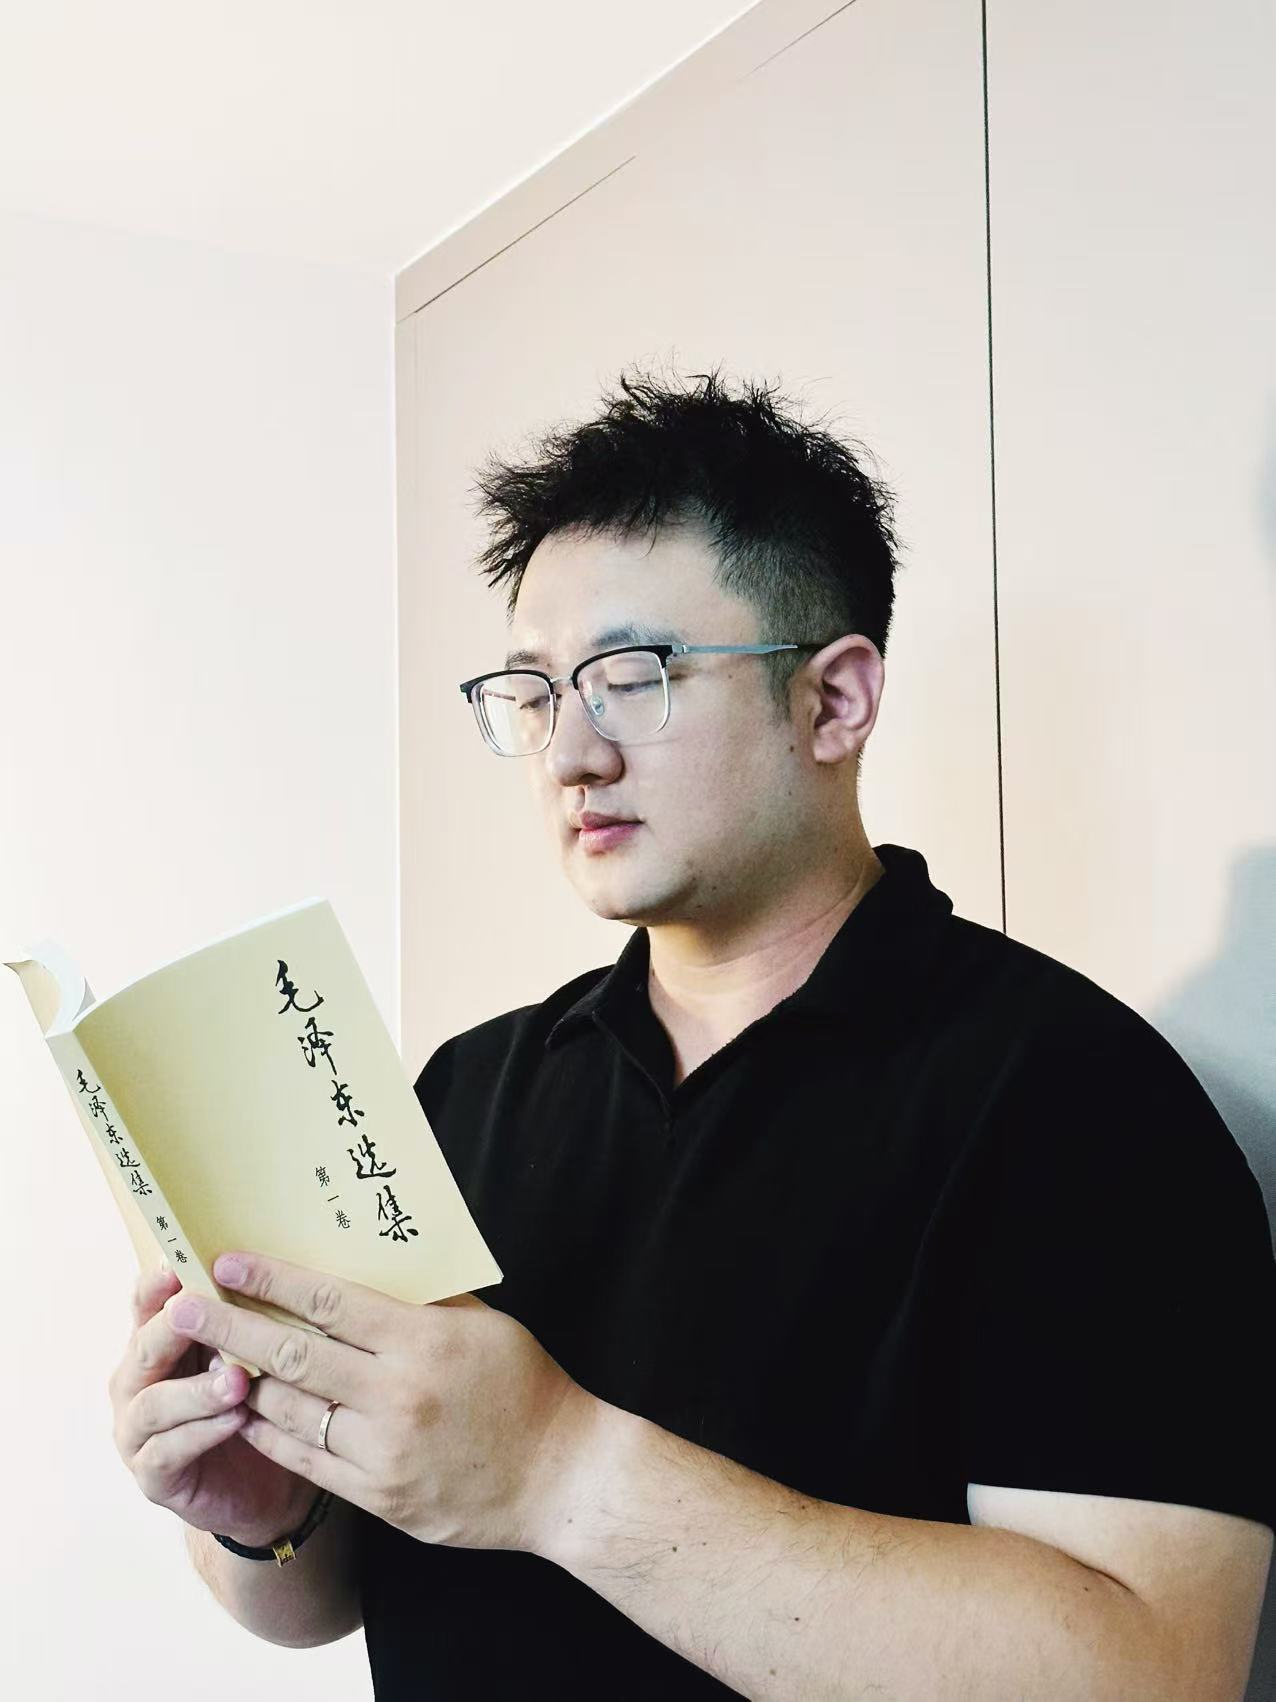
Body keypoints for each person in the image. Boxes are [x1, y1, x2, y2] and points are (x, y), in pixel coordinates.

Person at [114, 365, 1275, 1697]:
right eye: (537, 692)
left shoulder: (1075, 1095)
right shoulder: (465, 1091)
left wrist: (558, 1470)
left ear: (834, 702)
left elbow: (1152, 1673)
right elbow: (324, 1597)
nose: (571, 754)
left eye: (631, 676)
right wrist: (266, 1514)